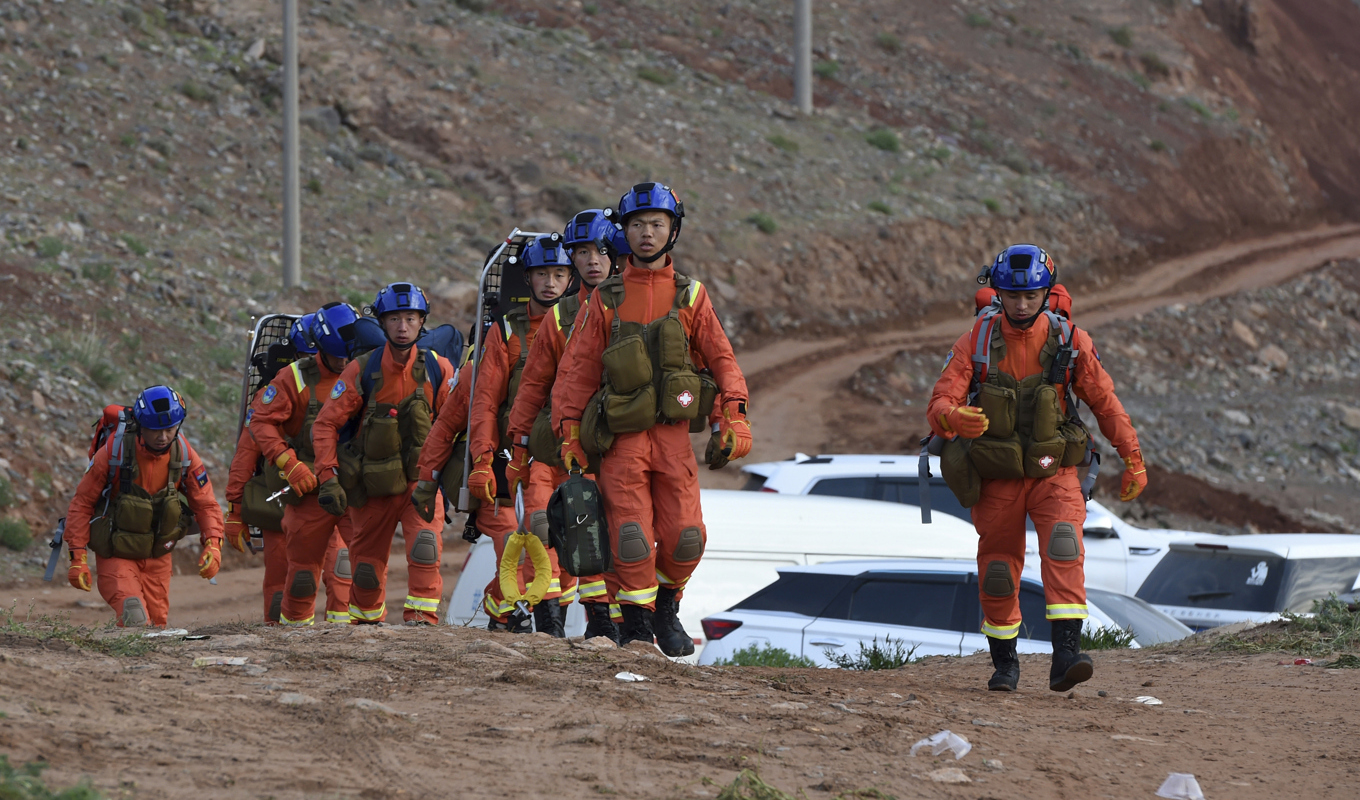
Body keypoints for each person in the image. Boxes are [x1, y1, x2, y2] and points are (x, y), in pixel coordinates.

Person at [928, 244, 1147, 692]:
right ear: (998, 293)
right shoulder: (975, 342)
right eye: (1013, 295)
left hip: (1054, 471)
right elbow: (940, 401)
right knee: (997, 570)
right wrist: (952, 418)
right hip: (998, 475)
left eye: (1032, 295)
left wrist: (1133, 459)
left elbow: (1105, 403)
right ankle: (1005, 665)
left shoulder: (1070, 341)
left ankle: (1066, 656)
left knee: (1064, 547)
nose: (1022, 304)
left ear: (1047, 293)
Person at [552, 183, 753, 655]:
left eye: (657, 224)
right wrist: (569, 433)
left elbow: (721, 360)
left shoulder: (692, 295)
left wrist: (735, 415)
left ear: (672, 230)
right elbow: (578, 372)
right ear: (624, 232)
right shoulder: (604, 299)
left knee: (686, 538)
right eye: (637, 224)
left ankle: (667, 605)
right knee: (631, 539)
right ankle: (639, 629)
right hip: (620, 442)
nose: (646, 233)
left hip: (673, 437)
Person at [503, 209, 627, 641]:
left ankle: (610, 624)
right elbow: (529, 389)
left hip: (609, 443)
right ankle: (549, 623)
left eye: (600, 252)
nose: (592, 261)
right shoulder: (555, 320)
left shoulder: (635, 308)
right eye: (582, 253)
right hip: (552, 443)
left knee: (613, 531)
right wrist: (515, 450)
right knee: (543, 528)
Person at [311, 284, 456, 625]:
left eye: (410, 318)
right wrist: (328, 477)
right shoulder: (361, 369)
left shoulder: (439, 369)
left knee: (425, 547)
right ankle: (367, 625)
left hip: (421, 483)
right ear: (382, 322)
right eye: (394, 319)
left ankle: (421, 622)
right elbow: (325, 424)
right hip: (372, 485)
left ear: (422, 322)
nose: (403, 327)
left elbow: (456, 423)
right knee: (366, 567)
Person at [467, 234, 575, 634]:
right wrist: (483, 459)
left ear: (571, 278)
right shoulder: (507, 331)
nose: (550, 282)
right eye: (542, 274)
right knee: (540, 530)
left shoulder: (584, 322)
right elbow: (485, 401)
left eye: (559, 274)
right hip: (524, 451)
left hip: (574, 448)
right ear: (528, 278)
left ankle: (503, 611)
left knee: (576, 541)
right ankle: (548, 624)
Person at [64, 386, 224, 627]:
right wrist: (78, 557)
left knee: (157, 625)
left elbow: (206, 504)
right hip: (117, 553)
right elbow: (82, 504)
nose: (163, 437)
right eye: (155, 430)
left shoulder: (184, 455)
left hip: (158, 556)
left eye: (169, 429)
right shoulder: (114, 452)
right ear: (141, 426)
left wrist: (213, 544)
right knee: (134, 616)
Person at [248, 303, 362, 626]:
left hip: (353, 490)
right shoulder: (293, 378)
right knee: (300, 578)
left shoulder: (368, 371)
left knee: (361, 569)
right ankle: (294, 638)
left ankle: (357, 633)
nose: (343, 363)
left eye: (347, 356)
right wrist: (289, 463)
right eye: (337, 357)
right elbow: (260, 424)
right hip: (309, 491)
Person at [224, 313, 327, 623]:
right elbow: (246, 454)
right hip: (283, 499)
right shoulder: (270, 399)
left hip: (327, 497)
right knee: (283, 578)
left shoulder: (350, 389)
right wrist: (235, 509)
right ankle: (279, 633)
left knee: (343, 570)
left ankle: (346, 633)